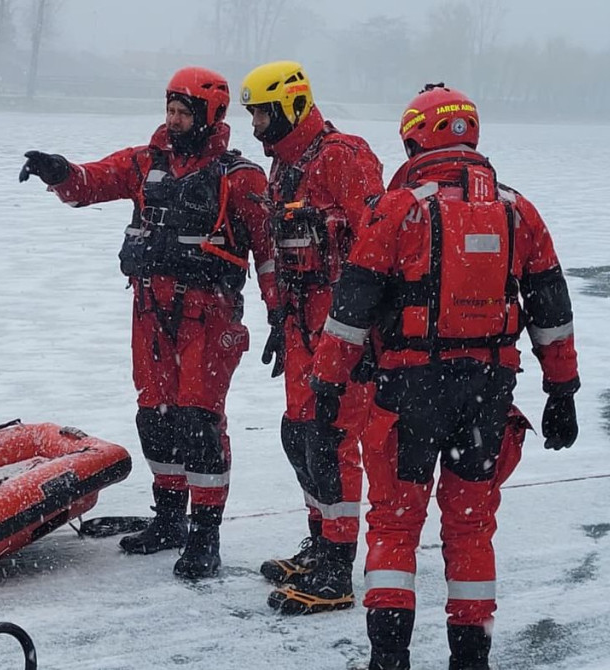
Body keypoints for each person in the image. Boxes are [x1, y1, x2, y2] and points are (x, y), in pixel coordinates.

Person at [310, 83, 580, 669]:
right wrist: (562, 391)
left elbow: (351, 307)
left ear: (414, 137)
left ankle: (389, 657)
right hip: (486, 395)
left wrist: (325, 385)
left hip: (408, 395)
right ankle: (471, 657)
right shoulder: (517, 209)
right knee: (471, 527)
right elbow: (552, 311)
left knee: (394, 526)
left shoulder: (398, 208)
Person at [19, 66, 279, 580]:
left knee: (199, 424)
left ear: (211, 115)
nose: (174, 119)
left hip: (209, 317)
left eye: (184, 112)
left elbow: (269, 255)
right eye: (170, 109)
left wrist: (281, 316)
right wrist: (57, 171)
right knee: (155, 418)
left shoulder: (241, 176)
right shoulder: (145, 163)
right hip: (150, 313)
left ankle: (205, 535)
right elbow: (91, 182)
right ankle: (169, 520)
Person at [239, 60, 384, 614]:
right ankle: (322, 541)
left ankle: (338, 570)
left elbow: (377, 246)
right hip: (302, 323)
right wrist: (278, 316)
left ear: (292, 106)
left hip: (343, 326)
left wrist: (363, 331)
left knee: (332, 438)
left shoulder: (342, 157)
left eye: (263, 113)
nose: (255, 124)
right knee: (299, 435)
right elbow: (280, 249)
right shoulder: (284, 167)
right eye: (251, 113)